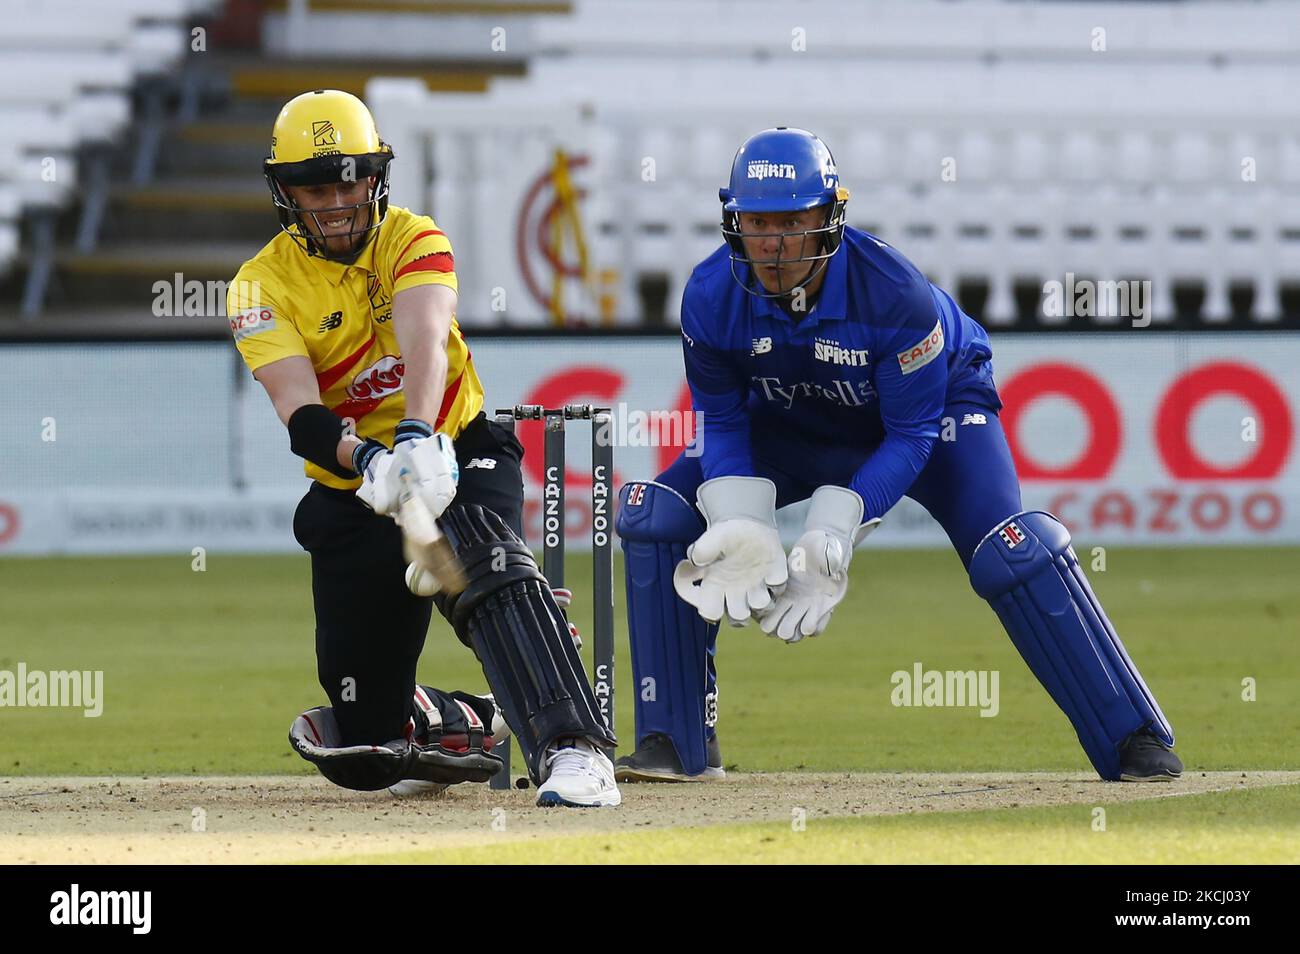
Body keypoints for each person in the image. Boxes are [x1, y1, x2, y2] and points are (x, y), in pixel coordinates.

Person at [614, 127, 1182, 785]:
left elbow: (910, 434)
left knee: (1014, 549)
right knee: (657, 516)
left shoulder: (895, 295)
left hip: (930, 415)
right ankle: (673, 740)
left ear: (830, 218)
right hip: (791, 418)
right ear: (733, 220)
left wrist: (834, 527)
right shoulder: (709, 296)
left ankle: (1133, 739)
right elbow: (721, 417)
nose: (774, 245)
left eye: (793, 222)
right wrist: (741, 517)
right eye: (759, 222)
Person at [226, 89, 620, 807]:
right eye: (317, 186)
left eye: (351, 180)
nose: (338, 202)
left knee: (478, 557)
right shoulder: (259, 284)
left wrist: (412, 438)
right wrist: (370, 460)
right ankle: (458, 716)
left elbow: (425, 343)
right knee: (366, 747)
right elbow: (299, 411)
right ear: (285, 192)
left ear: (375, 177)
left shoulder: (414, 236)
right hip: (353, 488)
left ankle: (574, 748)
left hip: (457, 447)